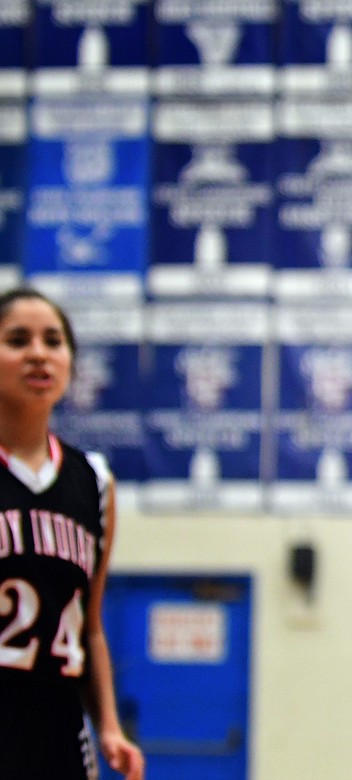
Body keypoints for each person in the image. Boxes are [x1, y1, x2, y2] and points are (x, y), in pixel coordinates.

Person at [0, 288, 145, 780]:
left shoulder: (95, 482)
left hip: (59, 723)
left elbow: (92, 627)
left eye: (53, 341)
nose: (38, 353)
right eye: (18, 340)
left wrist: (109, 725)